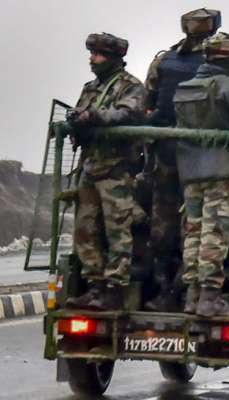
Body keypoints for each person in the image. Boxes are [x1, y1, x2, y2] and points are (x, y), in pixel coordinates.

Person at [173, 32, 229, 317]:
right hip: (221, 171)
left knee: (194, 232)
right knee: (214, 232)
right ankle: (210, 297)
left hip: (189, 173)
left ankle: (192, 295)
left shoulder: (185, 89)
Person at [142, 8, 226, 311]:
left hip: (165, 154)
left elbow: (147, 102)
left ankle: (165, 290)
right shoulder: (217, 62)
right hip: (198, 159)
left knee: (164, 226)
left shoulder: (163, 61)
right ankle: (183, 291)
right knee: (195, 226)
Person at [66, 33, 147, 310]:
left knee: (117, 231)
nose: (93, 59)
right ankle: (95, 286)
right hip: (90, 166)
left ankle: (115, 288)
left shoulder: (131, 86)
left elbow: (127, 115)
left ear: (113, 58)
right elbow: (80, 113)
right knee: (85, 230)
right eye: (92, 54)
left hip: (117, 170)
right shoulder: (91, 87)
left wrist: (95, 117)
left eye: (99, 55)